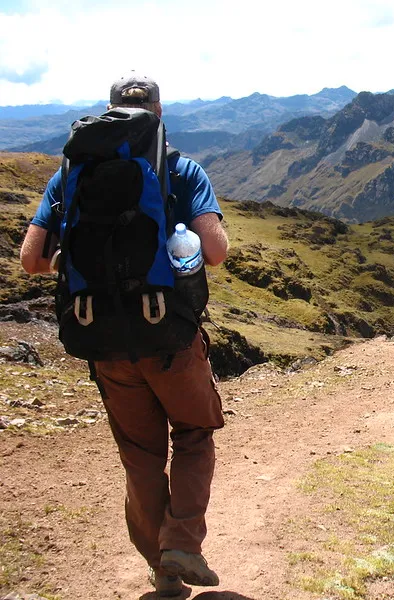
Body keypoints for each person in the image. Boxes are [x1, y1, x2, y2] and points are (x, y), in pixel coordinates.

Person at [19, 73, 228, 597]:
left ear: (108, 112)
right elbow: (217, 251)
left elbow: (31, 261)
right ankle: (182, 541)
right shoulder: (180, 169)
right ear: (160, 112)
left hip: (102, 339)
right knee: (195, 435)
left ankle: (162, 570)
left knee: (140, 457)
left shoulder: (70, 173)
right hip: (171, 336)